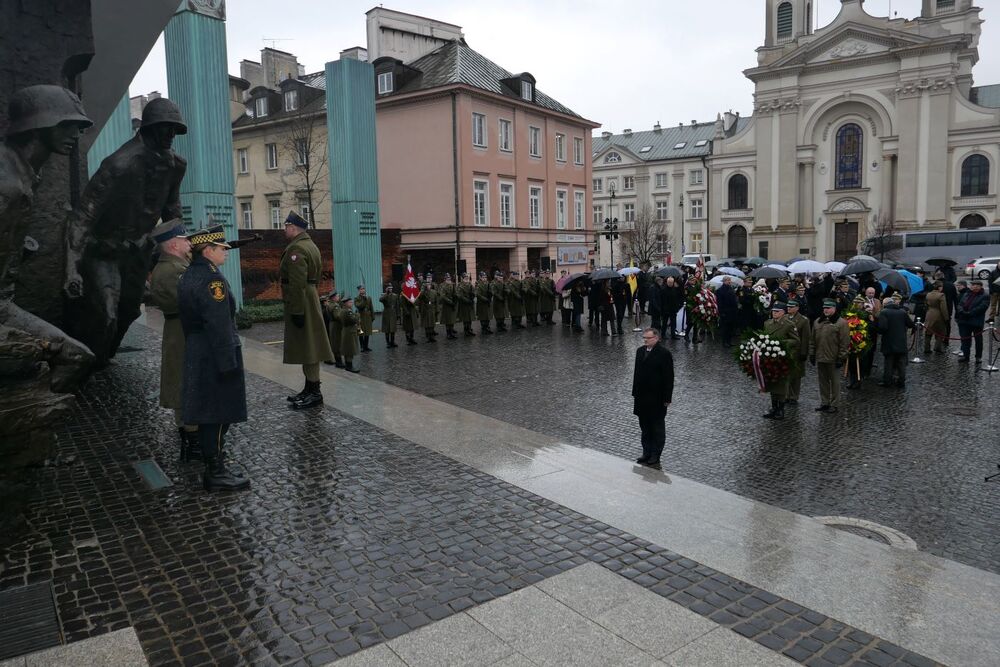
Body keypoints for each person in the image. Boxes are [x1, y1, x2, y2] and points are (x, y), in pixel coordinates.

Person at [65, 97, 188, 366]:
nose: (170, 135)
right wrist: (71, 267)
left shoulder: (176, 165)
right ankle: (85, 367)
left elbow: (172, 211)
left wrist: (183, 250)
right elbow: (83, 217)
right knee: (106, 314)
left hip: (138, 251)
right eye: (164, 128)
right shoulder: (119, 164)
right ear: (148, 129)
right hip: (104, 250)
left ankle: (105, 358)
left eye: (174, 130)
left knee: (130, 311)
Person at [0, 85, 95, 393]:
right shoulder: (10, 184)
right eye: (66, 124)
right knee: (77, 358)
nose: (75, 134)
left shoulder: (22, 171)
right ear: (38, 125)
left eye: (78, 127)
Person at [177, 227, 250, 492]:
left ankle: (215, 466)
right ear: (208, 251)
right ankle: (215, 471)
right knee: (218, 413)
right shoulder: (212, 281)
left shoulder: (189, 274)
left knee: (210, 412)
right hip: (214, 352)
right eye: (222, 249)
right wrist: (227, 362)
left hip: (199, 349)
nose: (226, 253)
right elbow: (219, 324)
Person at [147, 219, 197, 460]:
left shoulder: (174, 265)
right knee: (185, 381)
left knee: (183, 379)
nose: (189, 243)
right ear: (174, 245)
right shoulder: (171, 271)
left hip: (180, 328)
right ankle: (191, 438)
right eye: (185, 240)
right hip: (182, 330)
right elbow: (192, 300)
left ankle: (189, 433)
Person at [280, 212, 333, 409]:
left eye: (286, 227)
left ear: (293, 228)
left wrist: (297, 310)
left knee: (309, 347)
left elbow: (297, 283)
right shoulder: (309, 245)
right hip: (308, 298)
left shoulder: (297, 249)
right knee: (308, 346)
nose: (284, 230)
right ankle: (309, 388)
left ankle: (314, 392)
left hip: (302, 300)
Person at [631, 328, 674, 468]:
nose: (645, 340)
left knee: (657, 428)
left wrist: (667, 398)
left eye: (648, 338)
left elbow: (669, 377)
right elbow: (636, 373)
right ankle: (646, 452)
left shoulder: (664, 354)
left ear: (656, 338)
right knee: (645, 427)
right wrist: (635, 393)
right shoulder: (640, 351)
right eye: (644, 337)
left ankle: (656, 455)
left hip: (657, 398)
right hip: (642, 398)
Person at [810, 299, 849, 413]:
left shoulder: (841, 323)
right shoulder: (817, 321)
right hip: (821, 356)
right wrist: (812, 354)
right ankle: (825, 402)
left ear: (834, 309)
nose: (826, 310)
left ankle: (834, 404)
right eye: (824, 308)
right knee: (823, 381)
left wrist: (841, 357)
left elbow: (844, 342)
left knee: (835, 382)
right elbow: (812, 340)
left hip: (833, 357)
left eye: (828, 308)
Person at [762, 302, 799, 420]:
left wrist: (782, 343)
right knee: (772, 383)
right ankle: (774, 408)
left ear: (783, 313)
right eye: (773, 311)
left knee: (781, 385)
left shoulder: (788, 324)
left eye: (777, 311)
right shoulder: (767, 324)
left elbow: (796, 341)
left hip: (782, 358)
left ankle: (781, 409)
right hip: (770, 358)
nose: (774, 313)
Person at [876, 296, 915, 387]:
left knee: (889, 362)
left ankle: (887, 381)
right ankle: (901, 382)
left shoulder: (884, 312)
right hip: (901, 341)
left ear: (885, 304)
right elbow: (910, 324)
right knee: (901, 363)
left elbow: (883, 328)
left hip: (889, 341)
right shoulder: (902, 312)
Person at [955, 280, 989, 364]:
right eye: (973, 285)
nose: (975, 287)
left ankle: (978, 357)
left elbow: (982, 308)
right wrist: (962, 311)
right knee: (965, 340)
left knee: (978, 340)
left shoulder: (985, 296)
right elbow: (960, 304)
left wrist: (970, 313)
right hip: (964, 321)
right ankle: (966, 356)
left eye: (977, 285)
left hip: (976, 321)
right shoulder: (967, 294)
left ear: (981, 286)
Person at [785, 299, 811, 404]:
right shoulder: (785, 317)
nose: (789, 308)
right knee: (786, 374)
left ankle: (794, 396)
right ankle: (786, 395)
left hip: (797, 351)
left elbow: (805, 338)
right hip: (786, 351)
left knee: (796, 376)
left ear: (797, 308)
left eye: (791, 307)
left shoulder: (803, 320)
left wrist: (804, 352)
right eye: (788, 307)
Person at [923, 281, 948, 354]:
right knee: (940, 332)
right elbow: (943, 308)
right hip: (938, 315)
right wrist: (946, 318)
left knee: (928, 332)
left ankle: (926, 348)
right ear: (939, 287)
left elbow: (926, 304)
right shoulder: (941, 295)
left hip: (929, 314)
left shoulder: (928, 294)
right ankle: (937, 348)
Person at [338, 296, 360, 372]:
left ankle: (348, 365)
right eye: (350, 302)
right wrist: (357, 315)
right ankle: (349, 366)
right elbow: (354, 320)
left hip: (346, 331)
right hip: (350, 332)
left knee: (347, 350)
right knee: (350, 350)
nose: (352, 303)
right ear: (346, 303)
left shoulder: (343, 310)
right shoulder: (347, 311)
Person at [716, 276, 738, 347]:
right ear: (724, 281)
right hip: (725, 312)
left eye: (730, 280)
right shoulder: (720, 290)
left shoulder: (731, 289)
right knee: (725, 328)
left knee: (731, 328)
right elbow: (719, 303)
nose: (730, 282)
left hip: (732, 312)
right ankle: (724, 342)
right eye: (728, 280)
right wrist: (721, 312)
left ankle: (729, 341)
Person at [324, 292, 345, 366]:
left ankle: (337, 361)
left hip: (332, 324)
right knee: (337, 343)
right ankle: (339, 362)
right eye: (337, 296)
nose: (338, 297)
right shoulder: (335, 306)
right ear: (333, 297)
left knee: (334, 342)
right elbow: (338, 316)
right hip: (336, 325)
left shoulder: (329, 304)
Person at [438, 273, 458, 339]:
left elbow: (455, 293)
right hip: (446, 305)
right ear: (445, 279)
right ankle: (448, 333)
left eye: (449, 278)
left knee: (452, 319)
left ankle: (451, 332)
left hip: (452, 304)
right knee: (447, 320)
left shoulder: (452, 285)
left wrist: (455, 300)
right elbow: (442, 296)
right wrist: (450, 301)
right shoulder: (443, 286)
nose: (449, 280)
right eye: (447, 278)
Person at [416, 277, 437, 342]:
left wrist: (436, 309)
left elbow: (436, 301)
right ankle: (428, 336)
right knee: (427, 323)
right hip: (425, 309)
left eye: (429, 285)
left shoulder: (434, 292)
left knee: (432, 323)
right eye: (427, 285)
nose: (429, 286)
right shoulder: (423, 292)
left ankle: (432, 336)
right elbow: (419, 296)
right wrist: (423, 289)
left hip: (432, 309)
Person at [456, 272, 476, 337]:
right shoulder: (460, 285)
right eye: (465, 278)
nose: (467, 279)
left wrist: (473, 295)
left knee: (470, 318)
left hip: (470, 304)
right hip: (464, 304)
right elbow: (460, 296)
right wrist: (467, 300)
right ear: (462, 278)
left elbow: (474, 291)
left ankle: (470, 329)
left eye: (467, 278)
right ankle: (466, 330)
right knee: (465, 318)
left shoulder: (470, 285)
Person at [379, 284, 399, 348]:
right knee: (387, 329)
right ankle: (388, 343)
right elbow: (380, 300)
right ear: (386, 289)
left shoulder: (395, 296)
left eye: (391, 288)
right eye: (389, 288)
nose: (390, 290)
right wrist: (386, 294)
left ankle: (393, 342)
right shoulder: (384, 295)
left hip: (393, 313)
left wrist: (398, 314)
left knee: (393, 329)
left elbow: (397, 305)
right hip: (386, 313)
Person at [355, 285, 374, 352]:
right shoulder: (357, 298)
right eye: (361, 289)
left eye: (363, 289)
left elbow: (371, 307)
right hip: (361, 317)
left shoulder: (368, 297)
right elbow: (359, 306)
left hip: (368, 317)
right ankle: (362, 347)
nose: (362, 290)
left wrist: (373, 317)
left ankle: (366, 346)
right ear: (359, 290)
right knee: (361, 332)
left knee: (367, 332)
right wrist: (363, 300)